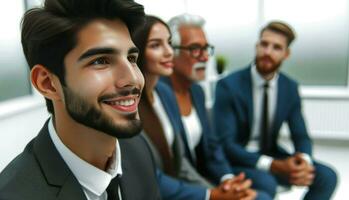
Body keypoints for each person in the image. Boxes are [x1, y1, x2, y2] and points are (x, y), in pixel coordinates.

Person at [0, 0, 161, 199]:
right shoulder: (12, 194)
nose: (133, 79)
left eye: (131, 59)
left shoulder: (138, 149)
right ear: (48, 83)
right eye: (101, 61)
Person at [133, 15, 256, 200]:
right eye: (156, 45)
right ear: (136, 51)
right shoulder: (129, 104)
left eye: (168, 43)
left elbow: (182, 161)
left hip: (189, 184)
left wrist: (224, 188)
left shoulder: (165, 94)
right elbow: (148, 176)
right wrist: (211, 194)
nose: (169, 52)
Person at [213, 21, 338, 200]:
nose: (267, 52)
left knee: (327, 177)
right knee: (266, 182)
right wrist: (273, 165)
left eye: (276, 47)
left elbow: (300, 135)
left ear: (286, 54)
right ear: (257, 46)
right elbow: (226, 144)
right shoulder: (228, 85)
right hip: (239, 159)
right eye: (264, 44)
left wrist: (303, 162)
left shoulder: (289, 87)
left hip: (271, 152)